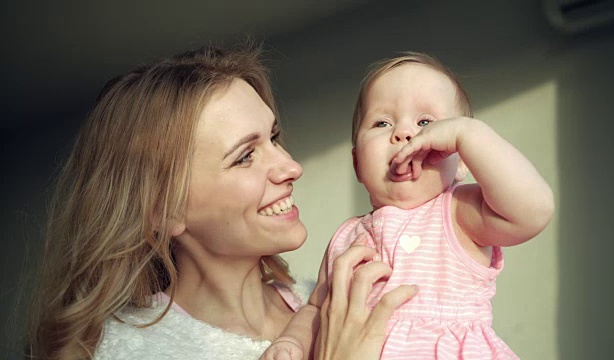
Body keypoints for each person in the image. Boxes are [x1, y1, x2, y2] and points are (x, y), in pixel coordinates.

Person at [26, 43, 418, 360]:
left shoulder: (338, 299)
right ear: (163, 211)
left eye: (274, 138)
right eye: (245, 156)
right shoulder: (121, 352)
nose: (292, 167)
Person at [262, 52, 555, 360]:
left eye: (426, 122)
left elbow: (533, 211)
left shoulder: (457, 211)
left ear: (460, 161)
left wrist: (470, 133)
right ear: (357, 164)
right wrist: (292, 342)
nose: (403, 132)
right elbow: (317, 308)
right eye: (382, 122)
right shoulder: (346, 238)